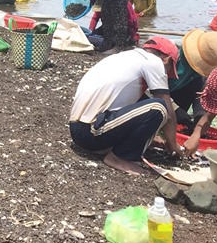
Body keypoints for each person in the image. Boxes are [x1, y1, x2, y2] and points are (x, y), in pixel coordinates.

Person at [68, 36, 183, 175]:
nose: (166, 75)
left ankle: (111, 148)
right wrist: (174, 146)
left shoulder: (124, 57)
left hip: (78, 129)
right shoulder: (154, 62)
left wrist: (148, 137)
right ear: (167, 60)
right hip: (91, 132)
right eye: (168, 70)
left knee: (147, 102)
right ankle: (119, 158)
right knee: (160, 107)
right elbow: (169, 114)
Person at [169, 28, 217, 128]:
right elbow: (151, 88)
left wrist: (199, 113)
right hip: (155, 95)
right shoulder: (169, 53)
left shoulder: (205, 69)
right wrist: (175, 109)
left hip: (179, 94)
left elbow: (201, 93)